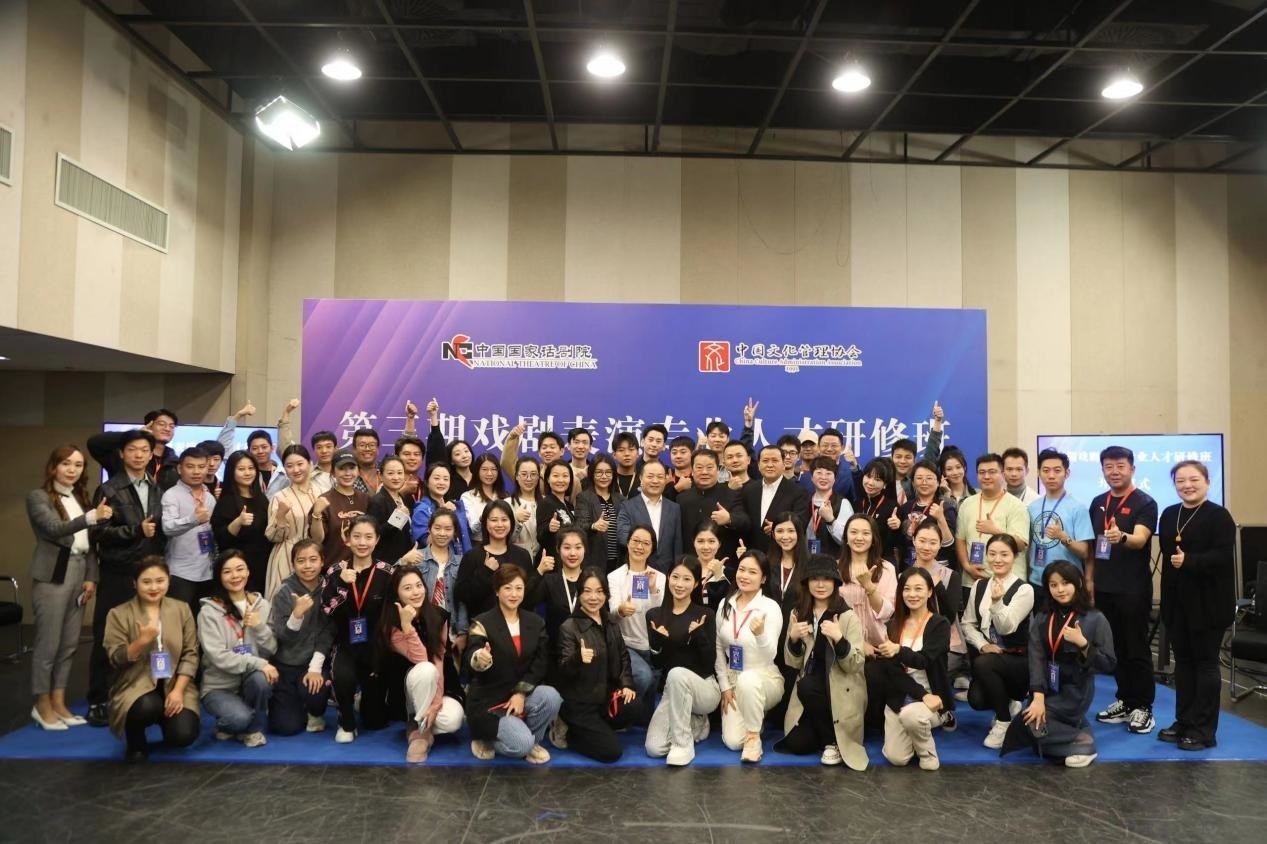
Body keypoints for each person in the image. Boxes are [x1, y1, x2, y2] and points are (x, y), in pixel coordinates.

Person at [87, 428, 166, 727]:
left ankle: (141, 692)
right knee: (106, 634)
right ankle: (98, 699)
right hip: (118, 571)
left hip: (148, 573)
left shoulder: (156, 487)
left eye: (144, 450)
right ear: (121, 454)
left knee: (147, 634)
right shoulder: (109, 489)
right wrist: (135, 531)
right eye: (132, 449)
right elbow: (97, 533)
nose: (139, 455)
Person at [1002, 561, 1116, 767]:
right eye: (1053, 585)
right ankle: (1077, 732)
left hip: (1076, 691)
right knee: (1031, 721)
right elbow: (1036, 658)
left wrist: (1083, 645)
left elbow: (1108, 664)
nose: (1060, 590)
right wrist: (1038, 697)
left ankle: (1084, 744)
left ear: (1078, 583)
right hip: (1048, 689)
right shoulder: (1043, 617)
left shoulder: (1095, 618)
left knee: (1031, 727)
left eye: (1065, 583)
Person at [27, 445, 109, 730]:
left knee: (70, 644)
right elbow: (53, 529)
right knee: (48, 644)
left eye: (78, 465)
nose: (72, 470)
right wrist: (90, 517)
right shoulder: (38, 497)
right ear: (54, 466)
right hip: (53, 575)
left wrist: (91, 577)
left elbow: (89, 544)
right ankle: (42, 704)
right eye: (66, 464)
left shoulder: (79, 496)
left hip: (79, 571)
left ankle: (59, 701)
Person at [1157, 460, 1236, 751]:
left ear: (1207, 482)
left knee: (1205, 665)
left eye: (1193, 479)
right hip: (1177, 605)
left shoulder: (1219, 516)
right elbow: (1168, 558)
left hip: (1209, 605)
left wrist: (1190, 561)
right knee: (1183, 665)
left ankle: (1203, 730)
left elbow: (1223, 557)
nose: (1187, 486)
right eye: (1180, 481)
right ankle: (1184, 721)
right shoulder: (1169, 514)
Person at [103, 556, 201, 762]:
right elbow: (115, 658)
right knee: (147, 707)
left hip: (174, 682)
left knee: (183, 736)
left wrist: (178, 691)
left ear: (168, 581)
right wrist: (140, 642)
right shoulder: (118, 614)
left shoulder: (181, 609)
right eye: (146, 582)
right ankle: (136, 739)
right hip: (135, 683)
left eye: (160, 581)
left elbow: (191, 653)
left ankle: (167, 721)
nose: (154, 587)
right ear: (135, 583)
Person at [1090, 445, 1159, 735]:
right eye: (1109, 466)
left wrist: (1122, 537)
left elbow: (1141, 539)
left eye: (1120, 466)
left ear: (1132, 468)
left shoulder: (1145, 502)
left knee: (1136, 647)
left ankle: (1143, 706)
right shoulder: (1098, 502)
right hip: (1104, 588)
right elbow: (1093, 547)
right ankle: (1126, 700)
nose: (1114, 471)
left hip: (1132, 589)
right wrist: (1089, 582)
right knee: (1115, 648)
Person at [776, 554, 868, 770]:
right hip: (811, 691)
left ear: (835, 583)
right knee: (797, 744)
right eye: (815, 579)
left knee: (806, 685)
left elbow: (856, 664)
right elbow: (793, 663)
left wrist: (839, 639)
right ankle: (828, 729)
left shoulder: (847, 616)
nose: (820, 584)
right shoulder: (798, 613)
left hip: (840, 687)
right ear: (806, 582)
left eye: (826, 579)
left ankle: (832, 741)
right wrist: (793, 639)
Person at [465, 565, 562, 763]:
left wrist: (520, 693)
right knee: (521, 745)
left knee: (551, 696)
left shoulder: (536, 622)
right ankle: (488, 739)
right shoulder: (481, 622)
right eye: (507, 588)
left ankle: (531, 741)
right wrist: (479, 658)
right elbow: (473, 651)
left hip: (519, 698)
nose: (514, 594)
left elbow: (540, 663)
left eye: (519, 588)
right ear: (497, 591)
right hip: (491, 703)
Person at [553, 569, 645, 762]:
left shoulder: (611, 621)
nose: (593, 597)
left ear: (606, 594)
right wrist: (578, 658)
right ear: (579, 594)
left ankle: (599, 729)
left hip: (605, 698)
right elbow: (563, 671)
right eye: (587, 591)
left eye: (599, 591)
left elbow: (623, 656)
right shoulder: (569, 627)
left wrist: (626, 684)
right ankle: (568, 730)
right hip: (581, 704)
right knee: (611, 753)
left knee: (634, 705)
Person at [376, 566, 465, 763]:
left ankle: (421, 722)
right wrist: (407, 626)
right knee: (426, 670)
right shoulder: (390, 623)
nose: (416, 592)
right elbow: (421, 659)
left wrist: (436, 704)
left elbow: (439, 660)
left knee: (453, 720)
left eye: (418, 585)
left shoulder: (438, 616)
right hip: (407, 689)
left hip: (438, 685)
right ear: (396, 594)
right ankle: (421, 732)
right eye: (407, 588)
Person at [321, 516, 396, 742]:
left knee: (375, 721)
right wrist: (342, 584)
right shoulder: (335, 571)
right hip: (345, 642)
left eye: (368, 537)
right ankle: (345, 719)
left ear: (377, 540)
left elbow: (392, 613)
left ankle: (364, 700)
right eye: (357, 536)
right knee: (343, 677)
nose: (362, 542)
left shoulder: (387, 572)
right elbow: (327, 609)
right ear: (348, 539)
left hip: (376, 645)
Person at [874, 567, 952, 770]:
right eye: (907, 589)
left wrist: (898, 650)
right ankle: (915, 730)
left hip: (932, 697)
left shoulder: (940, 624)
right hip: (901, 696)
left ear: (930, 592)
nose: (912, 594)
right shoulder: (893, 625)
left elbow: (924, 660)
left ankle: (927, 753)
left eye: (919, 588)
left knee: (911, 717)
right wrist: (920, 694)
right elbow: (892, 672)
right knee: (897, 758)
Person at [197, 550, 277, 748]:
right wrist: (259, 663)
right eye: (227, 572)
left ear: (248, 572)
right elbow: (218, 656)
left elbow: (272, 648)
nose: (235, 576)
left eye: (240, 569)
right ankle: (234, 723)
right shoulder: (209, 611)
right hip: (219, 687)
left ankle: (252, 729)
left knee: (261, 680)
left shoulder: (262, 605)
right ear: (219, 576)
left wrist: (259, 627)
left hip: (249, 681)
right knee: (238, 718)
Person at [961, 534, 1034, 748]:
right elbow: (967, 623)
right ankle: (1008, 702)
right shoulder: (979, 585)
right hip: (990, 657)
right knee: (976, 699)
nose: (997, 559)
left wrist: (997, 603)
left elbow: (1006, 627)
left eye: (1004, 554)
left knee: (983, 663)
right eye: (992, 554)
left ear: (1015, 557)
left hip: (1018, 660)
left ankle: (1003, 721)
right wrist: (982, 644)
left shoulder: (1024, 590)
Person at [644, 557, 718, 766]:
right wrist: (658, 643)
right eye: (675, 577)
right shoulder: (654, 615)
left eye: (687, 579)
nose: (679, 584)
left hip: (704, 688)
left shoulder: (705, 614)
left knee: (677, 673)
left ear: (695, 584)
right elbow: (658, 664)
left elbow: (708, 664)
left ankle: (683, 745)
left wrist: (699, 637)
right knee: (654, 748)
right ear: (668, 578)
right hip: (673, 690)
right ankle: (697, 724)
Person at [715, 550, 784, 762]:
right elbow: (718, 647)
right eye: (742, 570)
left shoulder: (770, 607)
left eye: (752, 572)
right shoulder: (726, 604)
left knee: (748, 679)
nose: (744, 576)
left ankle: (754, 738)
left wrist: (760, 634)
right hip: (733, 678)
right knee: (733, 742)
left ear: (763, 578)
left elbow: (771, 653)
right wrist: (724, 685)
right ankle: (754, 719)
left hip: (764, 678)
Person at [267, 539, 334, 736]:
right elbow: (283, 636)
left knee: (316, 692)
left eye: (313, 559)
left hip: (313, 662)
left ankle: (314, 711)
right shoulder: (284, 591)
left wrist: (315, 668)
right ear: (293, 564)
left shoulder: (329, 589)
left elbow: (328, 632)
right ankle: (290, 704)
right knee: (285, 728)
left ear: (322, 561)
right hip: (285, 664)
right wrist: (296, 616)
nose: (307, 566)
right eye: (301, 560)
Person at [607, 525, 665, 702]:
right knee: (643, 677)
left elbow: (660, 615)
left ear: (652, 548)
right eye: (636, 541)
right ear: (628, 542)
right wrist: (621, 610)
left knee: (650, 694)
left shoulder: (660, 577)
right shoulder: (614, 577)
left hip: (652, 646)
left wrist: (653, 590)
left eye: (646, 543)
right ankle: (620, 707)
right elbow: (612, 616)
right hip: (626, 645)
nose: (640, 547)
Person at [955, 453, 1030, 590]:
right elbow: (960, 540)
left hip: (1007, 583)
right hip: (972, 582)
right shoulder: (967, 504)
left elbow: (1021, 544)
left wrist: (996, 531)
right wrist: (967, 566)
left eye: (992, 472)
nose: (986, 476)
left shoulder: (1016, 505)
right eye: (981, 472)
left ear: (1003, 474)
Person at [161, 447, 217, 615]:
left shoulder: (210, 497)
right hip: (180, 572)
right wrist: (193, 519)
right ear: (180, 469)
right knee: (178, 620)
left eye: (201, 467)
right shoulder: (171, 495)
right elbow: (167, 527)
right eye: (190, 466)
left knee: (204, 621)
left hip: (207, 571)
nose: (196, 471)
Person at [1026, 448, 1093, 587]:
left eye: (1057, 470)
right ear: (1038, 473)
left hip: (1067, 583)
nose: (1051, 476)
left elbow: (1085, 552)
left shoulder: (1078, 508)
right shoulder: (1032, 507)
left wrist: (1063, 537)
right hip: (1037, 581)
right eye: (1046, 470)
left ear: (1067, 473)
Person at [211, 451, 271, 595]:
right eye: (241, 469)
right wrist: (238, 522)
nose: (247, 473)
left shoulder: (262, 498)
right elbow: (221, 539)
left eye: (251, 468)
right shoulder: (225, 502)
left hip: (263, 564)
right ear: (232, 472)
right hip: (238, 569)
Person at [264, 444, 320, 597]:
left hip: (314, 557)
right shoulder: (279, 497)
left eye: (300, 464)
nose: (296, 470)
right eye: (289, 466)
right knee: (285, 603)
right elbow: (272, 536)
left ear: (310, 464)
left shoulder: (321, 493)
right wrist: (281, 515)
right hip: (286, 557)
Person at [678, 449, 748, 565]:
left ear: (718, 470)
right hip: (690, 565)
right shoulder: (682, 498)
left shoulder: (730, 493)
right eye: (699, 467)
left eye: (710, 467)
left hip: (723, 564)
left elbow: (745, 522)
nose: (704, 472)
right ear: (692, 471)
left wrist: (729, 519)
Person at [616, 460, 682, 573]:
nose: (655, 481)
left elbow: (678, 545)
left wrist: (677, 570)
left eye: (660, 477)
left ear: (666, 479)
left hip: (667, 572)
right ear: (641, 478)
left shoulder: (674, 508)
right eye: (650, 476)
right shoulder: (627, 506)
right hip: (637, 570)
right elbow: (623, 536)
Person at [88, 408, 180, 489]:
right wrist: (134, 435)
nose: (167, 429)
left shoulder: (175, 463)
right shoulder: (124, 457)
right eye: (162, 424)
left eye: (171, 426)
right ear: (149, 426)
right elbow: (94, 442)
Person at [742, 445, 810, 554]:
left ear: (784, 464)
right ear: (758, 465)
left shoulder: (798, 492)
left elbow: (801, 524)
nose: (770, 465)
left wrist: (780, 528)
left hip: (783, 554)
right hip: (753, 554)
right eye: (765, 461)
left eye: (775, 460)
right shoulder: (749, 490)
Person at [312, 450, 372, 567]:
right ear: (333, 472)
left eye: (352, 468)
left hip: (363, 568)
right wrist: (316, 514)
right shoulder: (325, 500)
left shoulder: (366, 499)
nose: (347, 473)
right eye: (342, 469)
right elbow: (317, 540)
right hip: (334, 568)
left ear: (358, 471)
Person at [529, 526, 588, 643]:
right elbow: (526, 603)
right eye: (567, 547)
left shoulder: (591, 580)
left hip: (588, 647)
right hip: (555, 647)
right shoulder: (550, 581)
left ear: (585, 549)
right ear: (558, 549)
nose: (572, 553)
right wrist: (539, 572)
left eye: (578, 547)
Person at [894, 460, 957, 568]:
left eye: (929, 478)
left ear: (938, 482)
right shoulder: (905, 507)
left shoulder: (945, 507)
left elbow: (949, 544)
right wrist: (895, 527)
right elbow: (899, 543)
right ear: (913, 482)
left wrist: (941, 519)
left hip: (937, 568)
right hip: (909, 567)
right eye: (919, 478)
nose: (924, 482)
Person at [419, 510, 466, 647]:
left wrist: (463, 632)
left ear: (454, 532)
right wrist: (403, 561)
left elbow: (463, 600)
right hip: (422, 628)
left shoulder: (461, 562)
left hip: (451, 630)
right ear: (429, 529)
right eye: (437, 528)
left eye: (448, 529)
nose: (442, 533)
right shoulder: (416, 558)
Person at [366, 455, 421, 566]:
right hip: (386, 564)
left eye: (400, 473)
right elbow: (372, 534)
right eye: (390, 473)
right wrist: (397, 519)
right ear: (380, 476)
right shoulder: (378, 501)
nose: (396, 477)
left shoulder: (403, 498)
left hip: (405, 562)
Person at [411, 462, 473, 559]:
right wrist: (442, 513)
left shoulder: (456, 506)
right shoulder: (421, 510)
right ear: (426, 482)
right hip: (437, 563)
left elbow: (467, 537)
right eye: (436, 478)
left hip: (464, 560)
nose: (441, 482)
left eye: (446, 479)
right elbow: (426, 542)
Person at [576, 454, 623, 571]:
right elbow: (579, 525)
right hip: (594, 561)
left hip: (618, 562)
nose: (604, 476)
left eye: (608, 472)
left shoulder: (620, 499)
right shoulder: (584, 497)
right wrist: (593, 526)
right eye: (599, 472)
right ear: (592, 474)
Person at [804, 456, 852, 560]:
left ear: (835, 478)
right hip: (806, 562)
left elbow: (848, 539)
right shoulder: (803, 501)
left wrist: (831, 520)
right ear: (811, 477)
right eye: (819, 473)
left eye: (828, 473)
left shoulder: (842, 503)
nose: (823, 477)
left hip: (834, 562)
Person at [852, 459, 900, 561]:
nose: (870, 483)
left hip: (882, 560)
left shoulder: (892, 507)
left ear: (885, 484)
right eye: (868, 476)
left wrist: (896, 528)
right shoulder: (857, 503)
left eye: (877, 480)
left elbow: (896, 542)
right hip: (857, 558)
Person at [459, 453, 505, 544]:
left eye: (493, 469)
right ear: (477, 471)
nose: (489, 473)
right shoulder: (468, 497)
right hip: (479, 545)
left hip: (502, 544)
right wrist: (482, 518)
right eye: (484, 469)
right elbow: (473, 529)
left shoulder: (505, 496)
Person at [536, 461, 578, 559]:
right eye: (555, 476)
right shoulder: (545, 503)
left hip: (568, 558)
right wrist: (549, 528)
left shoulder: (570, 505)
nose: (560, 480)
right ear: (548, 479)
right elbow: (540, 537)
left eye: (565, 476)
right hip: (552, 560)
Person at [801, 428, 855, 501]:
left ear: (842, 448)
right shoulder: (805, 476)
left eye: (834, 445)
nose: (829, 449)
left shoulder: (849, 475)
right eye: (825, 445)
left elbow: (857, 500)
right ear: (818, 447)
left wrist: (855, 466)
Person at [509, 457, 542, 559]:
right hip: (517, 560)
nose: (529, 479)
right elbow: (505, 540)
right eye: (524, 474)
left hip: (544, 560)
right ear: (516, 476)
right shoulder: (507, 503)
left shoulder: (546, 502)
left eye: (533, 474)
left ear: (538, 477)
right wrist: (516, 520)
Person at [692, 523, 732, 607]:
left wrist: (719, 576)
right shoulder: (686, 569)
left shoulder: (729, 573)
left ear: (719, 544)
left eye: (711, 541)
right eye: (700, 541)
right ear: (694, 542)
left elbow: (727, 604)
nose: (706, 547)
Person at [351, 428, 383, 494]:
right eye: (362, 445)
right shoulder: (348, 474)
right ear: (354, 449)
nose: (367, 449)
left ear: (377, 449)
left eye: (372, 445)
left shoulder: (385, 470)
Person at [665, 435, 695, 502]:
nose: (678, 456)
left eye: (683, 452)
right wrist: (676, 489)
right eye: (674, 453)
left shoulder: (699, 476)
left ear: (692, 454)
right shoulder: (665, 477)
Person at [611, 432, 641, 498]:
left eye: (631, 449)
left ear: (638, 453)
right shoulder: (608, 479)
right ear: (614, 455)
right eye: (621, 450)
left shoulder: (644, 479)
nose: (627, 454)